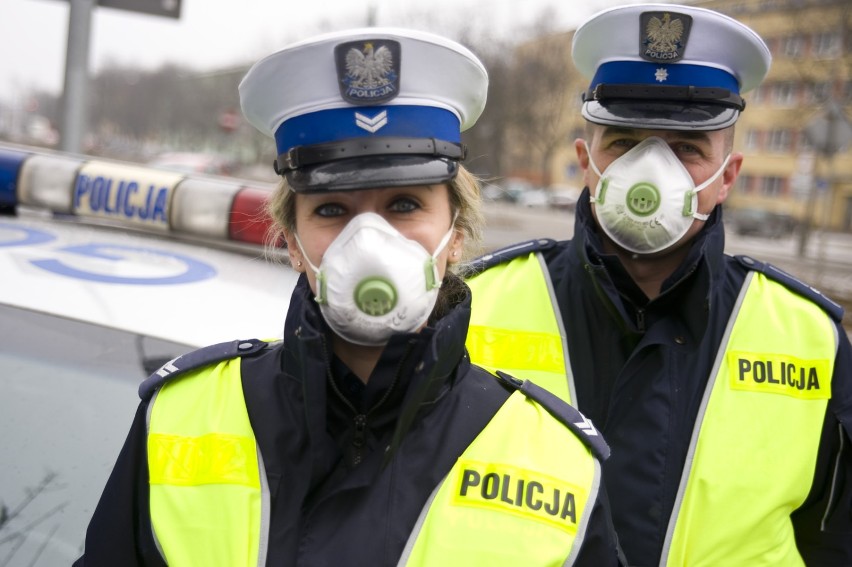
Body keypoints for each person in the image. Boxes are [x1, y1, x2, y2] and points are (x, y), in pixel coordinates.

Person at [74, 28, 623, 566]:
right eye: (332, 210)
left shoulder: (557, 464)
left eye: (404, 205)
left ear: (455, 234)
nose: (370, 242)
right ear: (292, 241)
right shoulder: (178, 417)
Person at [465, 4, 852, 565]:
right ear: (585, 162)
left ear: (728, 178)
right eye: (623, 144)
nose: (650, 171)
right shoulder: (479, 306)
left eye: (687, 148)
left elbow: (835, 538)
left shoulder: (808, 336)